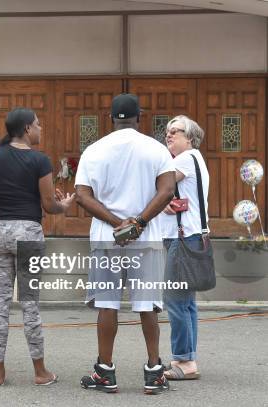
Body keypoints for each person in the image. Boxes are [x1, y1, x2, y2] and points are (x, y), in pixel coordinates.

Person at [75, 93, 175, 394]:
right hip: (148, 238)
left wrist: (116, 224)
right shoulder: (156, 149)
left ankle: (105, 372)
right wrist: (139, 222)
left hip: (107, 239)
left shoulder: (93, 150)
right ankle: (154, 372)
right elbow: (168, 190)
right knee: (147, 306)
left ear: (111, 118)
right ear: (139, 117)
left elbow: (82, 195)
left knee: (107, 305)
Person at [0, 108, 75, 386]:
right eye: (38, 125)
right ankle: (40, 371)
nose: (41, 129)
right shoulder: (39, 160)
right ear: (27, 129)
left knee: (1, 301)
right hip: (28, 233)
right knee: (30, 302)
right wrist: (64, 205)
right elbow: (48, 205)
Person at [160, 115, 209, 381]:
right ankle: (187, 357)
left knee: (175, 300)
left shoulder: (183, 160)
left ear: (189, 137)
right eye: (167, 131)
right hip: (191, 237)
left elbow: (161, 185)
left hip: (182, 239)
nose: (169, 135)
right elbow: (173, 194)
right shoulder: (196, 159)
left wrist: (160, 199)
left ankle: (184, 360)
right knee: (187, 302)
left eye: (175, 132)